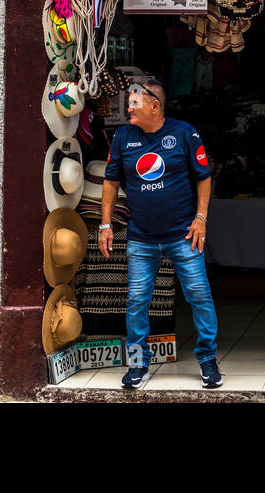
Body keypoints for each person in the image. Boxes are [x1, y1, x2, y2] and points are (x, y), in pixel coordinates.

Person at [98, 80, 221, 389]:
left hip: (183, 235)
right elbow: (111, 182)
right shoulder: (123, 137)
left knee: (199, 296)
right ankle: (138, 365)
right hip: (141, 238)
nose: (128, 108)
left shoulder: (184, 133)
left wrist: (201, 218)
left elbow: (204, 178)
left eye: (134, 103)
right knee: (137, 301)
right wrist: (105, 224)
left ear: (155, 105)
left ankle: (207, 361)